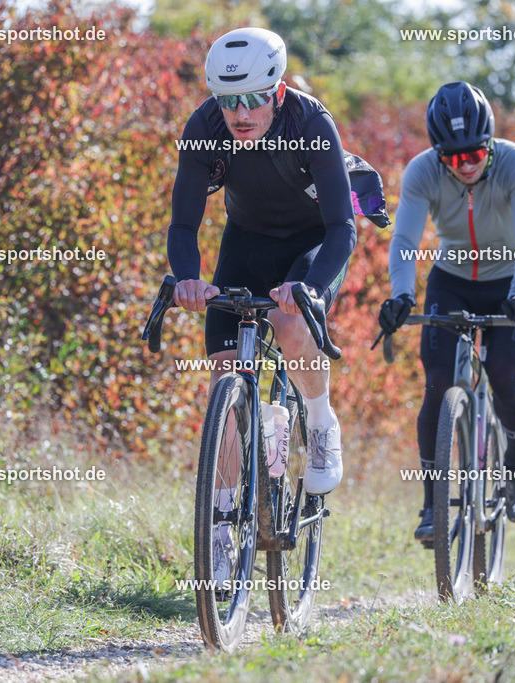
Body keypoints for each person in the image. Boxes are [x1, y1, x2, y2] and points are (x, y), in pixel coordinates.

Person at [166, 27, 357, 583]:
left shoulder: (311, 123)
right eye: (228, 101)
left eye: (253, 99)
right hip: (246, 243)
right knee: (225, 374)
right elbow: (183, 223)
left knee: (290, 324)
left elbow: (342, 227)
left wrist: (311, 288)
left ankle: (319, 421)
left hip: (312, 243)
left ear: (277, 92)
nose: (240, 113)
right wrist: (188, 280)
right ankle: (223, 526)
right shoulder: (204, 127)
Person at [379, 81, 515, 544]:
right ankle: (432, 504)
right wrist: (401, 294)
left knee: (505, 374)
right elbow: (405, 240)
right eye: (453, 159)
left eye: (474, 154)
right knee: (437, 383)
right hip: (451, 279)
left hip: (508, 280)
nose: (466, 165)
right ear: (438, 155)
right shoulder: (422, 172)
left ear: (490, 143)